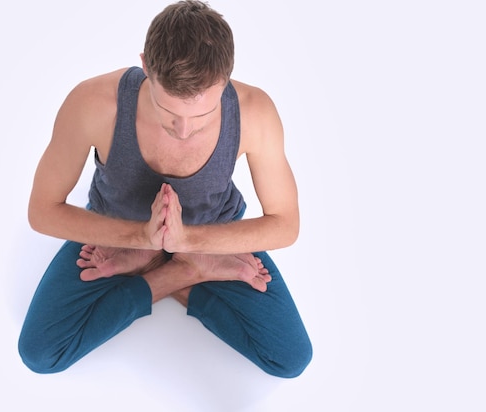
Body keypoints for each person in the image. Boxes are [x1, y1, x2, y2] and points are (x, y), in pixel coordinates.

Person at [18, 0, 312, 378]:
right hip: (117, 231)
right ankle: (182, 272)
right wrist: (142, 238)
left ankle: (169, 265)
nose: (184, 130)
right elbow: (41, 210)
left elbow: (285, 223)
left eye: (201, 116)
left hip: (210, 234)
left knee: (290, 358)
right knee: (41, 353)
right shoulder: (92, 103)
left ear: (226, 77)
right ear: (146, 67)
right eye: (169, 111)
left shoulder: (256, 112)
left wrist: (188, 241)